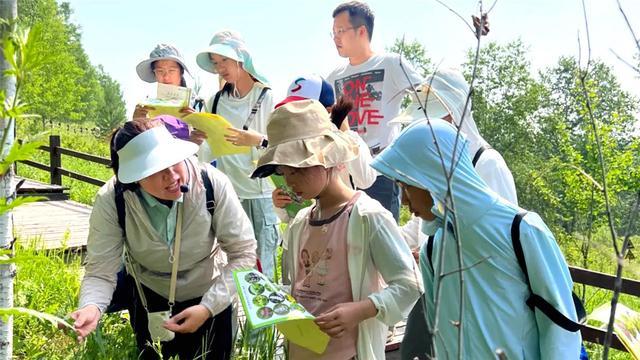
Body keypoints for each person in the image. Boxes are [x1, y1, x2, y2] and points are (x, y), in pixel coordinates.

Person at [371, 118, 582, 358]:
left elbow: (560, 327)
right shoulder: (433, 246)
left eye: (406, 187)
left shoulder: (521, 230)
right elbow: (439, 335)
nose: (405, 201)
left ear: (432, 177)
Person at [69, 119, 257, 360]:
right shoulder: (113, 199)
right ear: (133, 178)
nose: (171, 176)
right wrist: (91, 307)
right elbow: (101, 270)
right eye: (154, 169)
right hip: (149, 298)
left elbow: (244, 253)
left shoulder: (211, 183)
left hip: (211, 296)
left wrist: (208, 307)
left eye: (172, 161)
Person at [251, 100, 421, 360]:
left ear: (328, 157)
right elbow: (299, 287)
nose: (291, 180)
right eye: (284, 172)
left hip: (351, 352)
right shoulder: (300, 223)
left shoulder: (367, 217)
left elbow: (409, 284)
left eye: (299, 168)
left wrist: (363, 309)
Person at [391, 68, 519, 359]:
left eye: (436, 119)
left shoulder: (487, 164)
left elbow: (501, 245)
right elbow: (419, 223)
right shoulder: (435, 167)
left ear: (457, 115)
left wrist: (436, 250)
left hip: (480, 304)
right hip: (442, 295)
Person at [327, 1, 423, 221]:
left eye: (341, 31)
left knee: (381, 238)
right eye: (333, 32)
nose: (335, 38)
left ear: (362, 31)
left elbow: (426, 100)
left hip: (382, 169)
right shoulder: (333, 77)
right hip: (346, 171)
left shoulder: (391, 63)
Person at [195, 30, 280, 279]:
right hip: (228, 195)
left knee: (262, 272)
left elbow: (281, 146)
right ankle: (231, 319)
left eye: (225, 60)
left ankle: (264, 321)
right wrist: (198, 138)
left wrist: (256, 140)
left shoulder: (266, 96)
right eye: (215, 62)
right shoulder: (215, 101)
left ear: (241, 59)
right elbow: (206, 151)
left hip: (261, 195)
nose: (220, 67)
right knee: (231, 270)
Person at [272, 74, 377, 222]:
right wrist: (279, 204)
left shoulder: (346, 139)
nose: (294, 116)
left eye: (302, 109)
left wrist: (345, 136)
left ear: (328, 111)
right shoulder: (290, 146)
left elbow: (366, 180)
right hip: (307, 228)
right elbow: (289, 217)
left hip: (343, 224)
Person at [133, 43, 207, 144]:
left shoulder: (198, 105)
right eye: (160, 71)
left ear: (181, 72)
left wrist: (199, 130)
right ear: (154, 74)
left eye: (171, 71)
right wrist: (137, 123)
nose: (166, 77)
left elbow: (211, 148)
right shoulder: (146, 108)